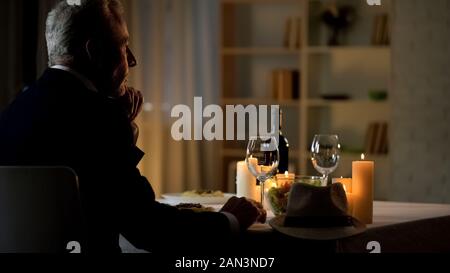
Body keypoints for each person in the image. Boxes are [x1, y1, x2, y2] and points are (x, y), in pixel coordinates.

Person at [0, 0, 261, 253]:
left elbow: (98, 190)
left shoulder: (14, 110)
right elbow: (148, 229)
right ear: (95, 52)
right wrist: (229, 219)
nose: (132, 60)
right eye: (124, 46)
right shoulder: (101, 117)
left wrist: (124, 128)